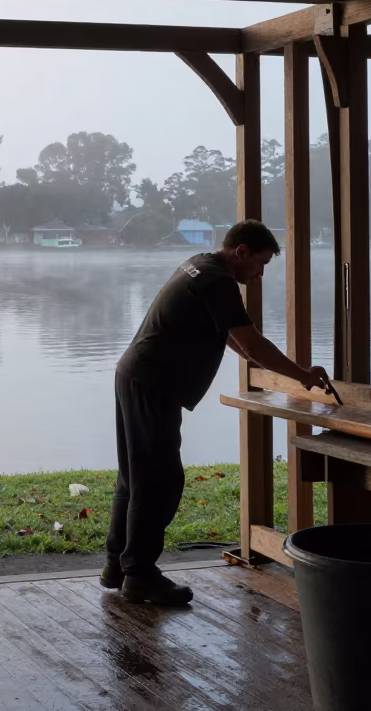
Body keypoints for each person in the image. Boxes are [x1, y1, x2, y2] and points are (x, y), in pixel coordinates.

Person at [102, 219, 329, 606]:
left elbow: (233, 337)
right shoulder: (217, 281)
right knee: (159, 481)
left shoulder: (201, 265)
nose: (260, 274)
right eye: (261, 264)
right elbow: (253, 344)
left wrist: (279, 368)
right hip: (152, 382)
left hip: (138, 375)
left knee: (137, 477)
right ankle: (138, 574)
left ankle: (118, 566)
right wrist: (303, 376)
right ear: (240, 252)